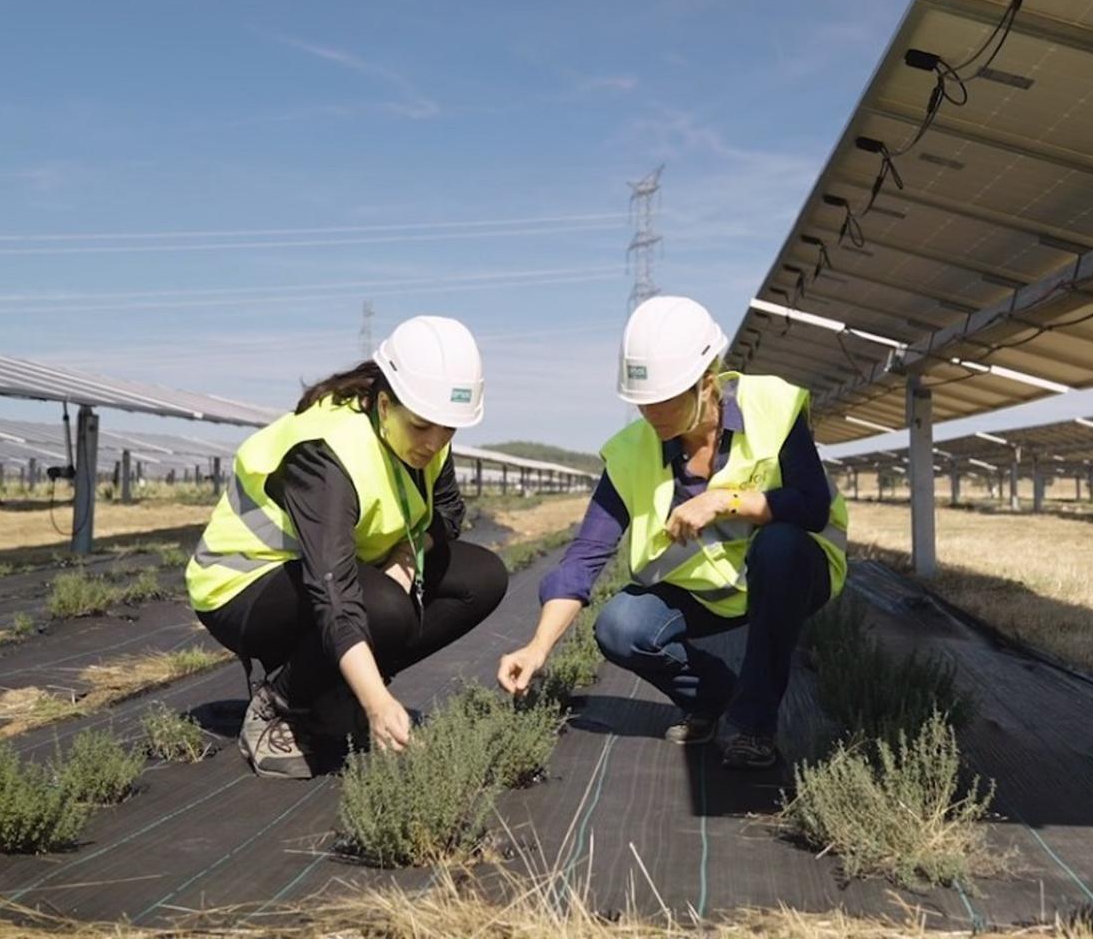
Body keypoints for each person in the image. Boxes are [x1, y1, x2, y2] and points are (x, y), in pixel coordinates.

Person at [497, 296, 847, 769]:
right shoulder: (631, 452)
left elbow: (811, 505)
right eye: (643, 404)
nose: (652, 415)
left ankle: (753, 726)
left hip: (791, 575)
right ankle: (713, 696)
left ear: (707, 385)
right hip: (707, 594)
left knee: (781, 545)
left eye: (664, 402)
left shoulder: (773, 406)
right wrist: (538, 647)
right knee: (620, 627)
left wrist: (726, 500)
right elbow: (585, 556)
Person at [186, 315, 508, 779]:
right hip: (243, 586)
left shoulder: (427, 430)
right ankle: (279, 704)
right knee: (385, 609)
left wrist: (404, 557)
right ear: (383, 403)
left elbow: (448, 515)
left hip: (333, 574)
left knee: (482, 578)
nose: (435, 443)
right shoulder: (326, 452)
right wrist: (377, 702)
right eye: (422, 428)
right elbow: (333, 594)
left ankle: (335, 688)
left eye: (448, 431)